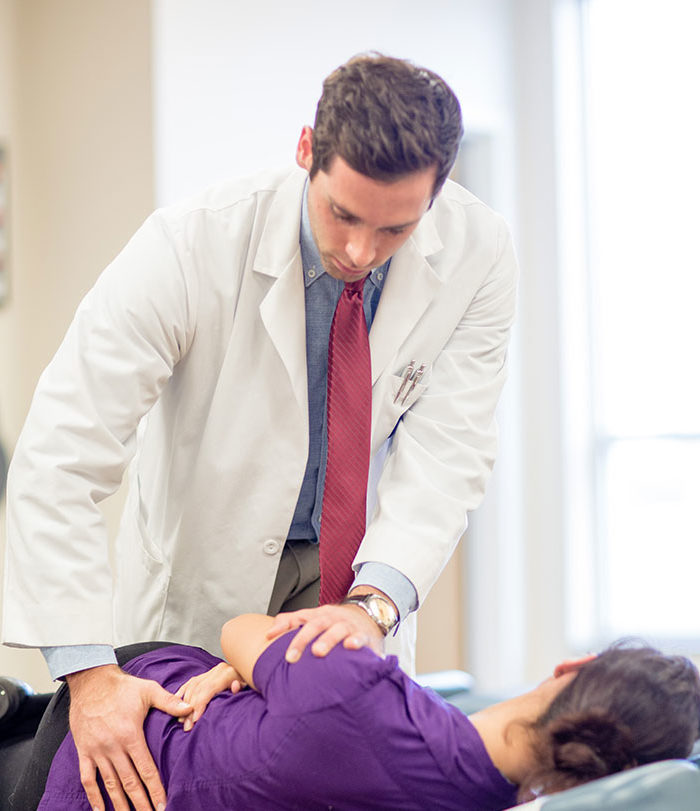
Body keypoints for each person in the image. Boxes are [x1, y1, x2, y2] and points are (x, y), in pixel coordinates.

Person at [2, 53, 518, 811]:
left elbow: (449, 452)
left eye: (395, 228)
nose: (360, 252)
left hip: (353, 564)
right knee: (184, 779)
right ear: (307, 149)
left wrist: (372, 604)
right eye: (343, 214)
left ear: (437, 193)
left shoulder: (480, 255)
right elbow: (62, 452)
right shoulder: (193, 244)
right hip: (206, 564)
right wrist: (89, 674)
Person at [5, 617, 700, 810]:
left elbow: (239, 628)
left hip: (96, 754)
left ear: (572, 670)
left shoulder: (356, 687)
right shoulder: (478, 797)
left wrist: (252, 664)